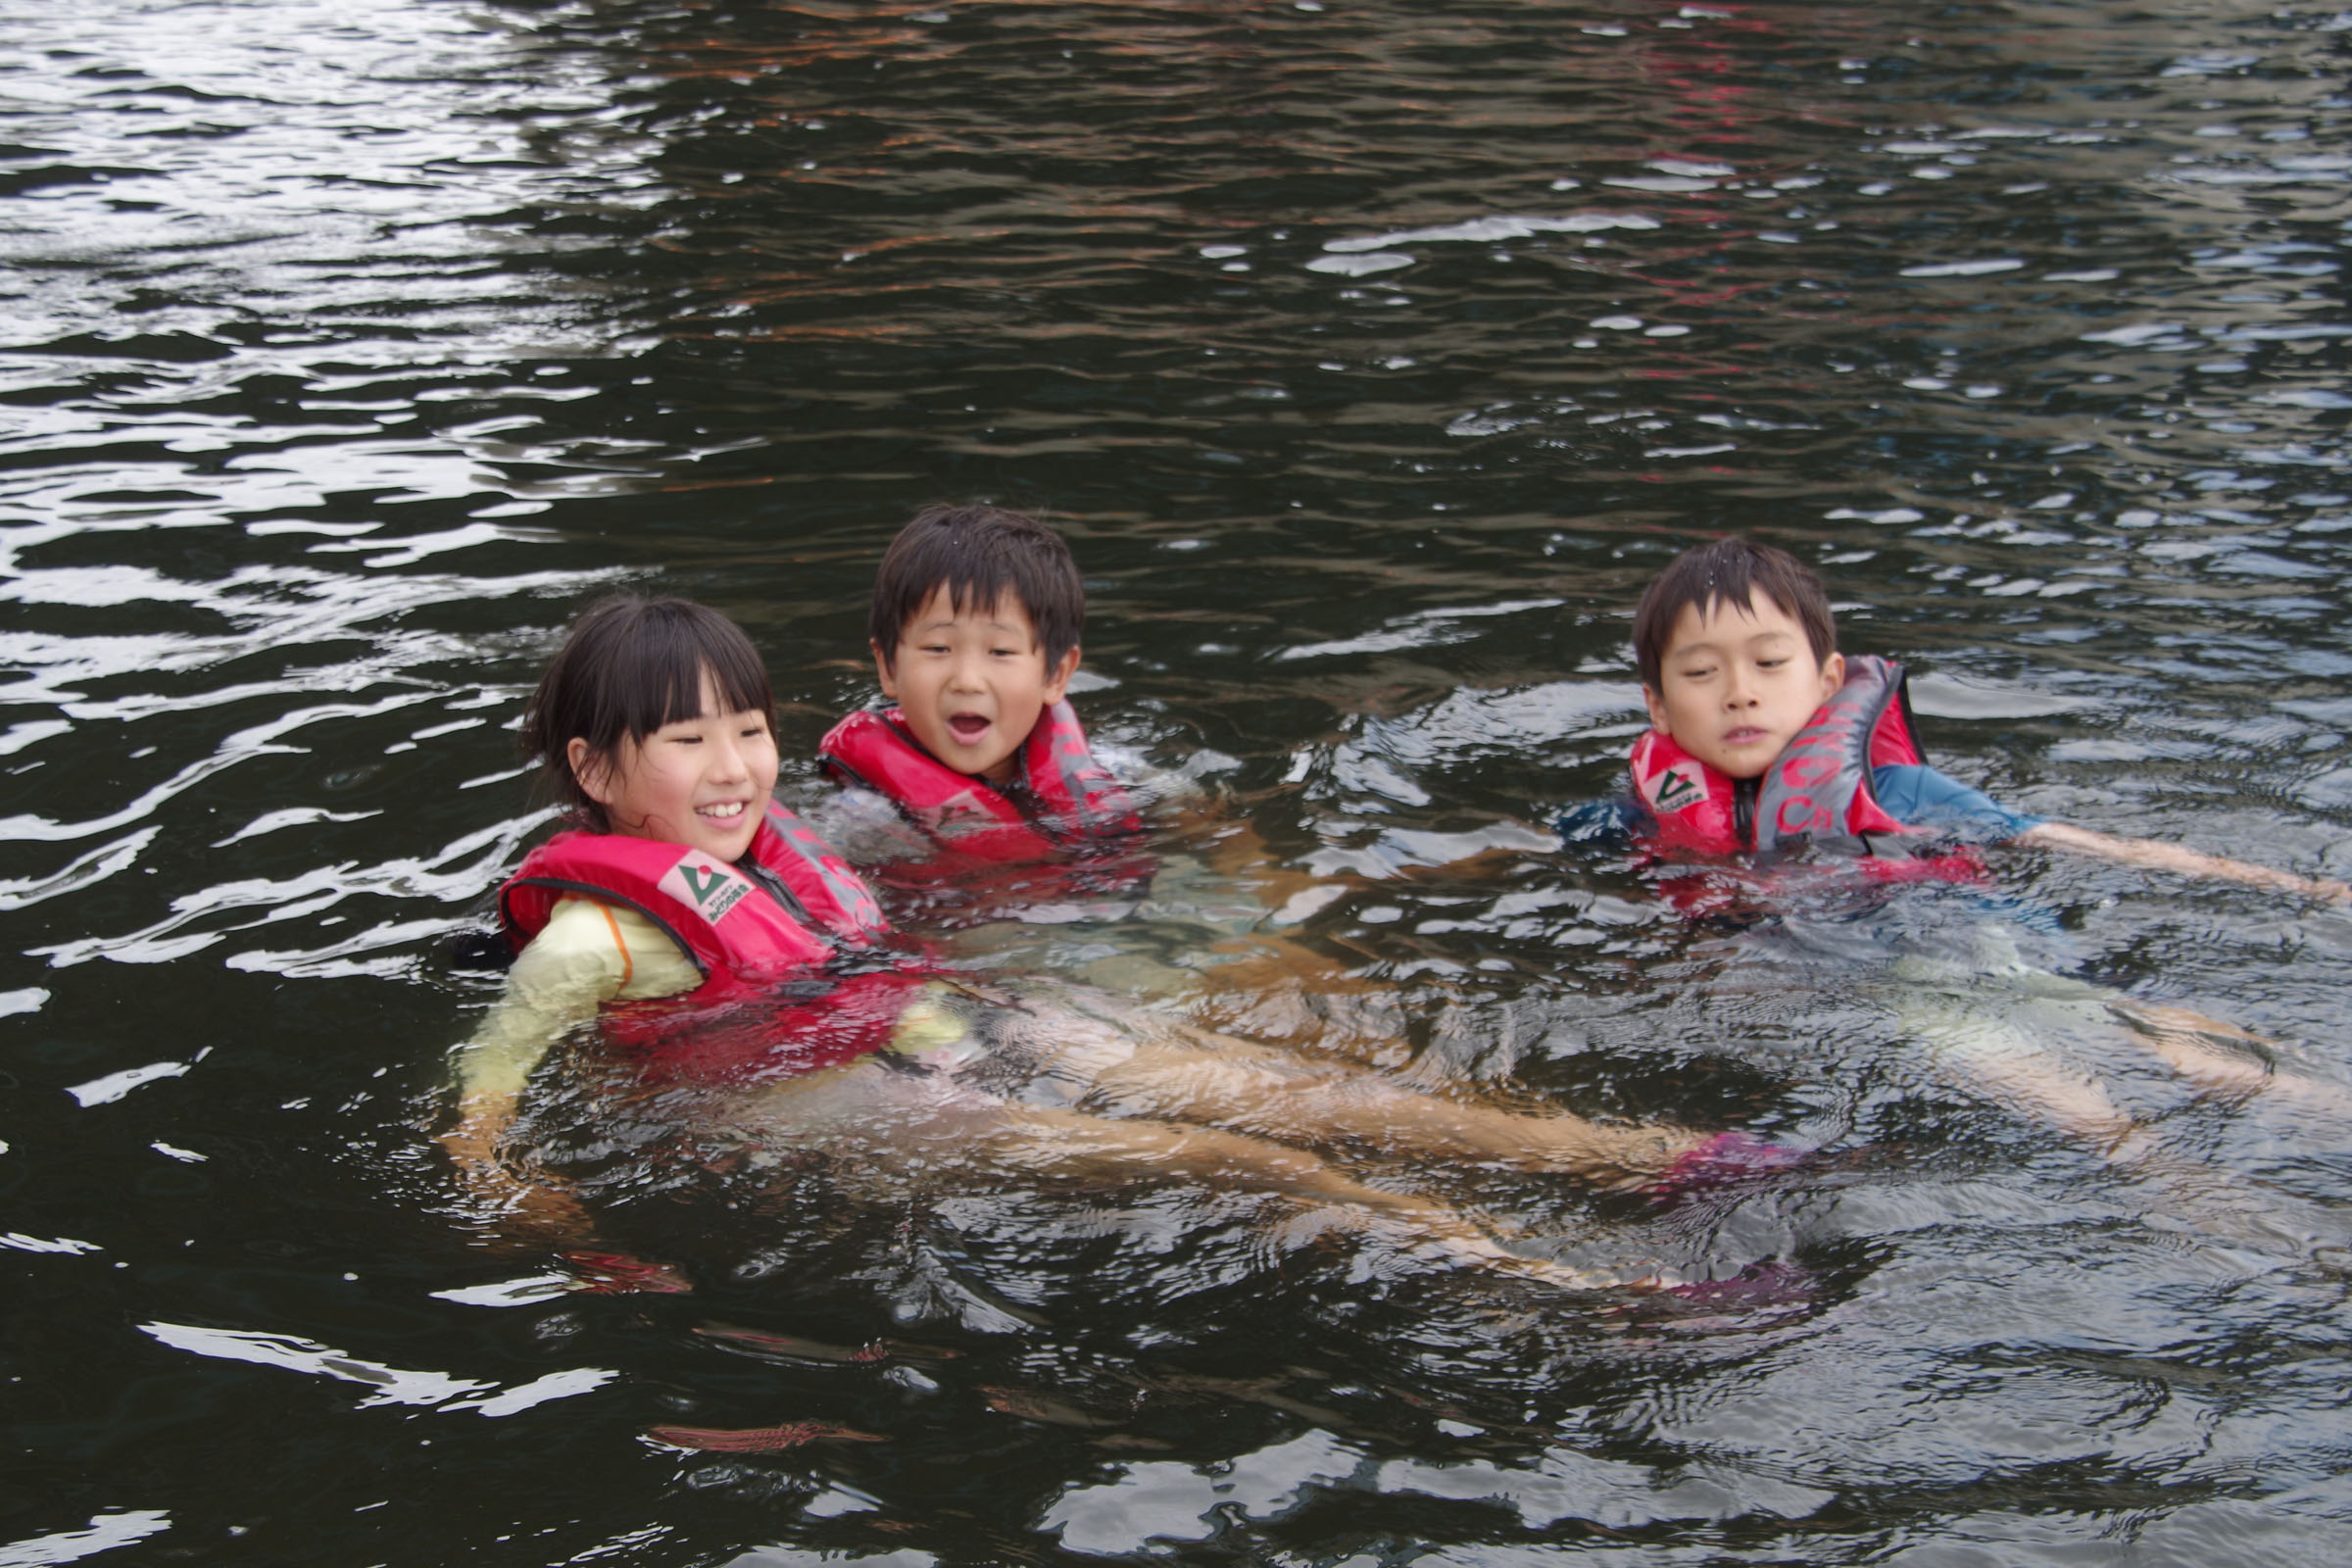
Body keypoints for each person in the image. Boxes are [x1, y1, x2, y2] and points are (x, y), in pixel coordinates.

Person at [442, 594, 1783, 1288]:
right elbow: (483, 1101)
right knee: (1225, 1158)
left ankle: (1653, 1160)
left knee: (1287, 1089)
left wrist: (978, 1031)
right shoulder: (594, 942)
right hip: (823, 1102)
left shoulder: (780, 861)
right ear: (597, 771)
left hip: (941, 1032)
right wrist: (525, 1197)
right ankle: (1564, 1281)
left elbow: (873, 973)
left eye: (749, 731)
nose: (735, 767)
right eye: (690, 742)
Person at [1578, 535, 2350, 1149]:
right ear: (1659, 706)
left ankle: (2271, 1124)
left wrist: (2294, 887)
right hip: (1870, 973)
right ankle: (2162, 1163)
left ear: (1826, 680)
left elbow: (2059, 839)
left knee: (2122, 1029)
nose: (1739, 690)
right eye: (1702, 673)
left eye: (1770, 664)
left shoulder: (1894, 792)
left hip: (1965, 931)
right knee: (2059, 1076)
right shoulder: (1652, 812)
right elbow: (1562, 851)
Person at [816, 504, 1140, 862]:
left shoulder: (1111, 772)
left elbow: (1196, 817)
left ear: (1057, 674)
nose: (967, 681)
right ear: (888, 668)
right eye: (938, 648)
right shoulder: (864, 820)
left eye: (1000, 651)